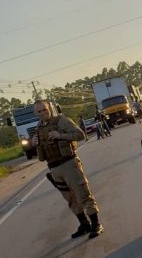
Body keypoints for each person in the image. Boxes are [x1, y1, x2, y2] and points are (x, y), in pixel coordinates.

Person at [31, 100, 104, 239]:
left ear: (50, 108)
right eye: (39, 111)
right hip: (54, 168)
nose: (42, 113)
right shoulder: (38, 129)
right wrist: (35, 143)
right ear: (35, 113)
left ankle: (96, 225)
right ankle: (84, 225)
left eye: (45, 109)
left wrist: (61, 135)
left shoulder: (62, 121)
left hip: (69, 164)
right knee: (70, 199)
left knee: (83, 195)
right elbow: (41, 155)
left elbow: (80, 135)